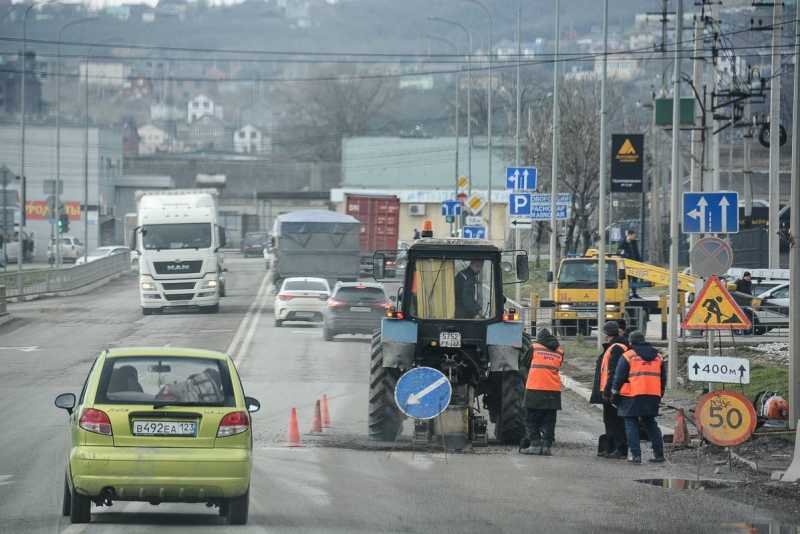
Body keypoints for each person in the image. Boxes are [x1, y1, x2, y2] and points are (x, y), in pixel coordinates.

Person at [611, 330, 667, 464]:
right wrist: (660, 394)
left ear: (631, 342)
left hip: (633, 394)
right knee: (650, 423)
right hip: (653, 394)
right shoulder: (658, 356)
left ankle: (636, 456)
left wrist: (614, 392)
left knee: (631, 422)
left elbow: (619, 376)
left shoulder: (629, 356)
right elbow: (663, 379)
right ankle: (659, 455)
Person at [519, 328, 564, 456]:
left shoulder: (535, 348)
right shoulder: (560, 351)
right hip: (553, 391)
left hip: (535, 389)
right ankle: (546, 447)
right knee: (549, 420)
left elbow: (524, 364)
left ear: (539, 339)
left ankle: (534, 445)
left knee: (530, 418)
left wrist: (528, 377)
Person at [590, 320, 629, 459]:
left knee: (615, 421)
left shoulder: (617, 347)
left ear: (607, 333)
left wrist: (609, 390)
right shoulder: (615, 346)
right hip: (611, 389)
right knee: (611, 420)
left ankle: (620, 449)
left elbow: (614, 372)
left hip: (612, 391)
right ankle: (613, 447)